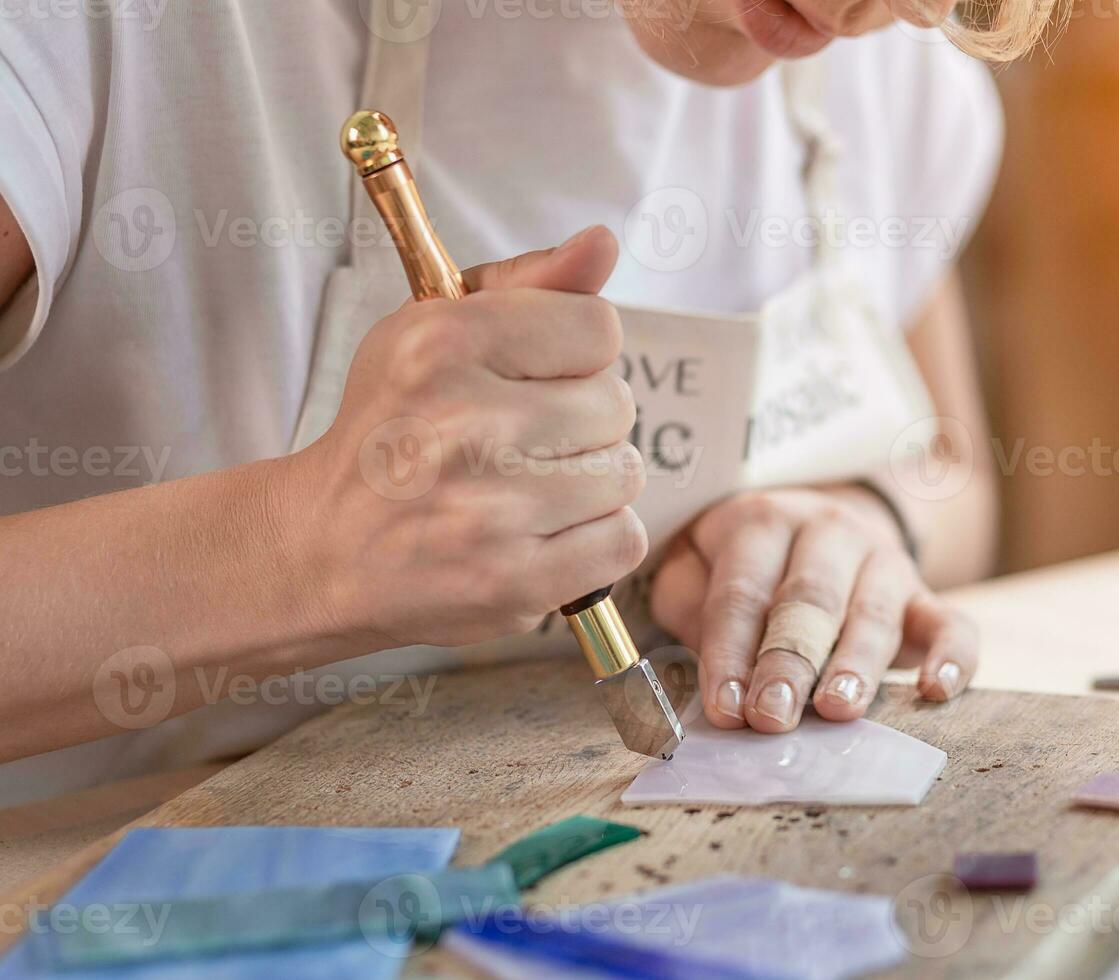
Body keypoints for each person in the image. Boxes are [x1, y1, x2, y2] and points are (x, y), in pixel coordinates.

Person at [0, 0, 1056, 805]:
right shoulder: (95, 36)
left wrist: (862, 512)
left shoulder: (890, 75)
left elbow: (947, 465)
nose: (853, 13)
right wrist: (297, 546)